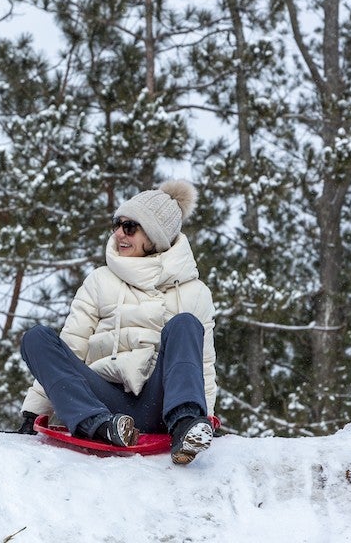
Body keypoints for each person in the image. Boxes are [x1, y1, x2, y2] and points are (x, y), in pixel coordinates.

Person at [16, 180, 217, 465]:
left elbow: (201, 365)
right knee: (37, 338)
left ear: (156, 236)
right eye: (117, 224)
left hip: (160, 403)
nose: (119, 234)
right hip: (103, 402)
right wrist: (35, 412)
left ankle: (186, 425)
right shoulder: (101, 280)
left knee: (185, 324)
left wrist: (205, 415)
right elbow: (73, 345)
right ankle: (100, 426)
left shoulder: (194, 292)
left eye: (131, 227)